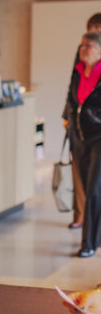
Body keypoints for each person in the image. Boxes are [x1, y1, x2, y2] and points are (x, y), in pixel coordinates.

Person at [64, 32, 101, 257]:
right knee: (88, 189)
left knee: (95, 189)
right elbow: (71, 97)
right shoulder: (78, 70)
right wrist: (68, 120)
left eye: (89, 46)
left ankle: (88, 243)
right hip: (79, 137)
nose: (83, 49)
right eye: (82, 45)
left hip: (99, 137)